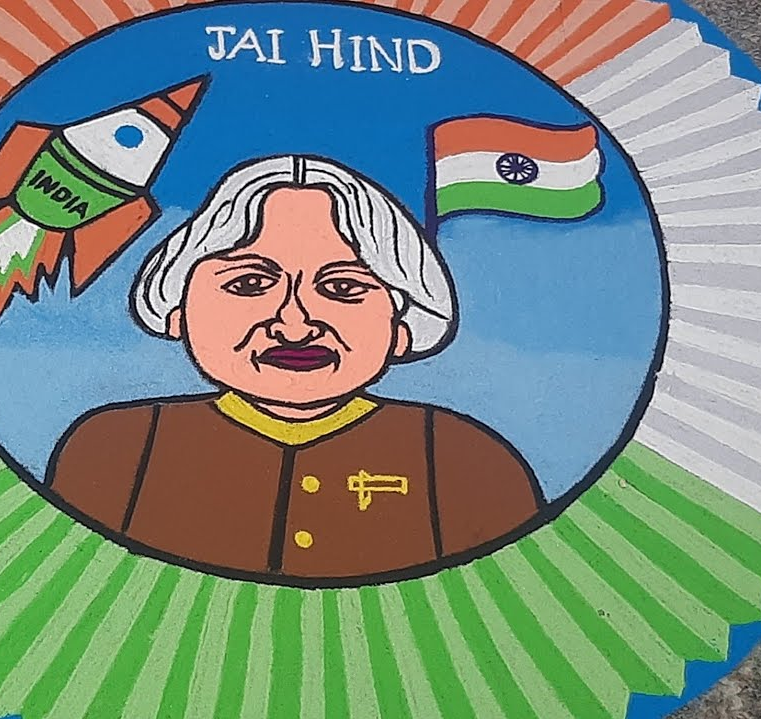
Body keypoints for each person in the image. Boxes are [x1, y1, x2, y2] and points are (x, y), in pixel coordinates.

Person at [46, 155, 541, 584]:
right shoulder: (119, 448)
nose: (295, 324)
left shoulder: (462, 457)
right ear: (178, 312)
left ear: (402, 326)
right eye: (249, 284)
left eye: (343, 288)